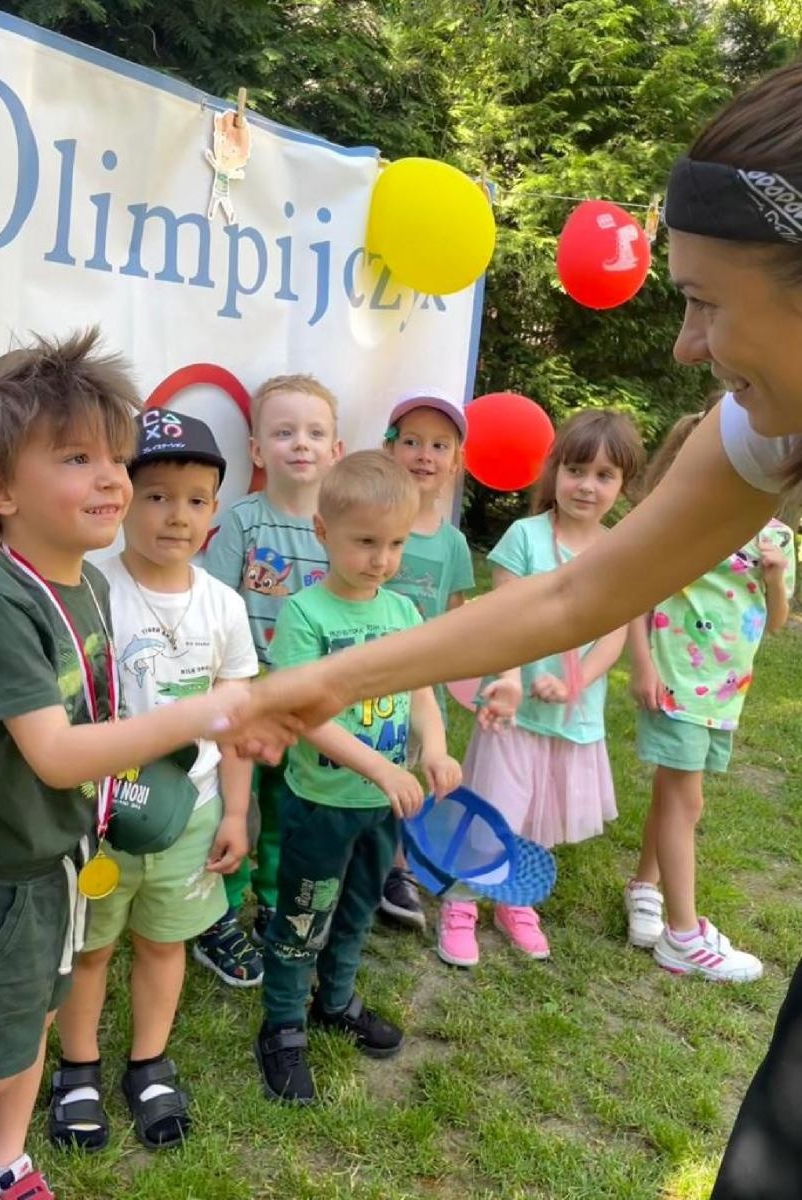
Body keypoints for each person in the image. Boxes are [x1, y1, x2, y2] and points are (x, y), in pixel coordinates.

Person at [246, 59, 802, 1197]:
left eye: (703, 300)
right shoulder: (760, 432)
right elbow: (559, 601)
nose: (684, 349)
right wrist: (311, 684)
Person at [0, 331, 291, 1200]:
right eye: (77, 457)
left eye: (112, 458)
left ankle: (3, 1163)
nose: (111, 480)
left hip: (55, 861)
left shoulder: (83, 580)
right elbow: (53, 754)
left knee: (36, 1023)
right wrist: (201, 713)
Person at [49, 409, 258, 1153]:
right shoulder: (91, 593)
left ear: (214, 512)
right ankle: (76, 1070)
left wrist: (235, 812)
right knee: (92, 948)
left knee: (164, 944)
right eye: (158, 494)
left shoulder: (224, 606)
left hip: (190, 815)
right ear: (122, 500)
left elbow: (235, 723)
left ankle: (149, 1064)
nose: (178, 515)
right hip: (99, 818)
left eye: (198, 499)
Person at [255, 451, 461, 1104]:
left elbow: (420, 689)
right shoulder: (306, 616)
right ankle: (284, 1026)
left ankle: (335, 1001)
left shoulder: (402, 614)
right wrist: (374, 763)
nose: (382, 559)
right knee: (303, 915)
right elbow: (299, 711)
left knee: (358, 907)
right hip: (322, 803)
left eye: (396, 543)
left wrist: (436, 748)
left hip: (382, 805)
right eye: (366, 542)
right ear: (324, 533)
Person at [442, 411, 643, 966]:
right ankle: (461, 902)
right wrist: (510, 679)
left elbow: (614, 633)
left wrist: (576, 680)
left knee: (541, 814)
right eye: (576, 470)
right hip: (511, 708)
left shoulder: (617, 552)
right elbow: (506, 620)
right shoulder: (525, 537)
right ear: (554, 471)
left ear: (623, 486)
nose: (587, 485)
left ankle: (514, 899)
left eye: (604, 476)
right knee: (494, 808)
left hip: (571, 716)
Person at [625, 404, 794, 981]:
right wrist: (642, 663)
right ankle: (683, 934)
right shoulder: (683, 520)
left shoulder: (778, 537)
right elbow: (638, 594)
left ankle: (646, 886)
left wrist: (773, 576)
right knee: (685, 800)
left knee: (676, 794)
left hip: (725, 690)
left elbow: (776, 623)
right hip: (675, 679)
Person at [197, 374, 342, 986]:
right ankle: (219, 917)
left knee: (289, 805)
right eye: (283, 432)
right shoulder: (244, 522)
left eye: (314, 433)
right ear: (258, 450)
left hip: (307, 700)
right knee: (234, 807)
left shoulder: (339, 528)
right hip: (246, 692)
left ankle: (275, 905)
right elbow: (214, 602)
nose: (300, 445)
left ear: (336, 450)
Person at [380, 389, 474, 931]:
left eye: (439, 445)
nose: (424, 454)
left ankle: (396, 871)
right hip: (364, 676)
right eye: (411, 441)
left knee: (405, 778)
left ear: (455, 463)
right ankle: (348, 866)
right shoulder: (372, 522)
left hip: (417, 691)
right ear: (388, 450)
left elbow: (457, 618)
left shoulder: (455, 545)